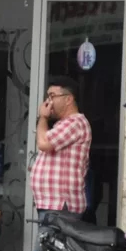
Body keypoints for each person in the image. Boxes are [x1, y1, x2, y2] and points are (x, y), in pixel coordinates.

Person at [31, 76, 92, 231]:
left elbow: (44, 143)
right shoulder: (63, 124)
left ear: (68, 99)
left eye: (52, 96)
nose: (48, 102)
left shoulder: (75, 123)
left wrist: (43, 117)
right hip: (54, 205)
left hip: (61, 206)